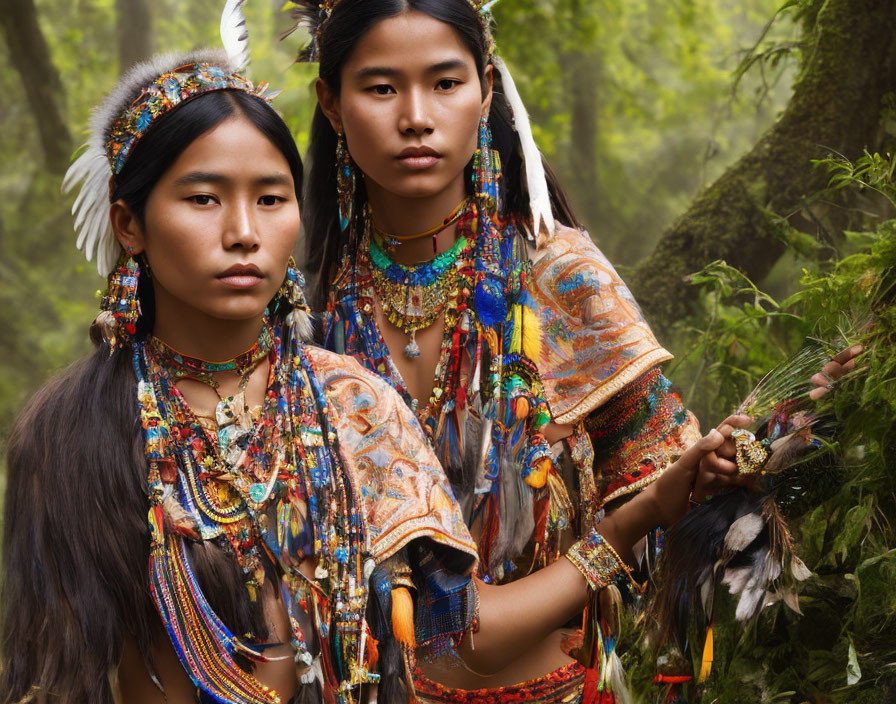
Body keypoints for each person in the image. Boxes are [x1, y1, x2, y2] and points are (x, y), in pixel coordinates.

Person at [291, 1, 858, 701]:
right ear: (332, 103)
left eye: (445, 83)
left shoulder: (558, 277)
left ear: (487, 90)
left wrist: (791, 428)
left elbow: (674, 484)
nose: (416, 115)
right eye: (381, 88)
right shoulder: (304, 312)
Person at [0, 48, 484, 704]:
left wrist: (616, 540)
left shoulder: (355, 404)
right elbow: (54, 675)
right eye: (203, 198)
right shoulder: (66, 433)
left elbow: (452, 635)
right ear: (129, 224)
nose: (244, 232)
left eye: (270, 197)